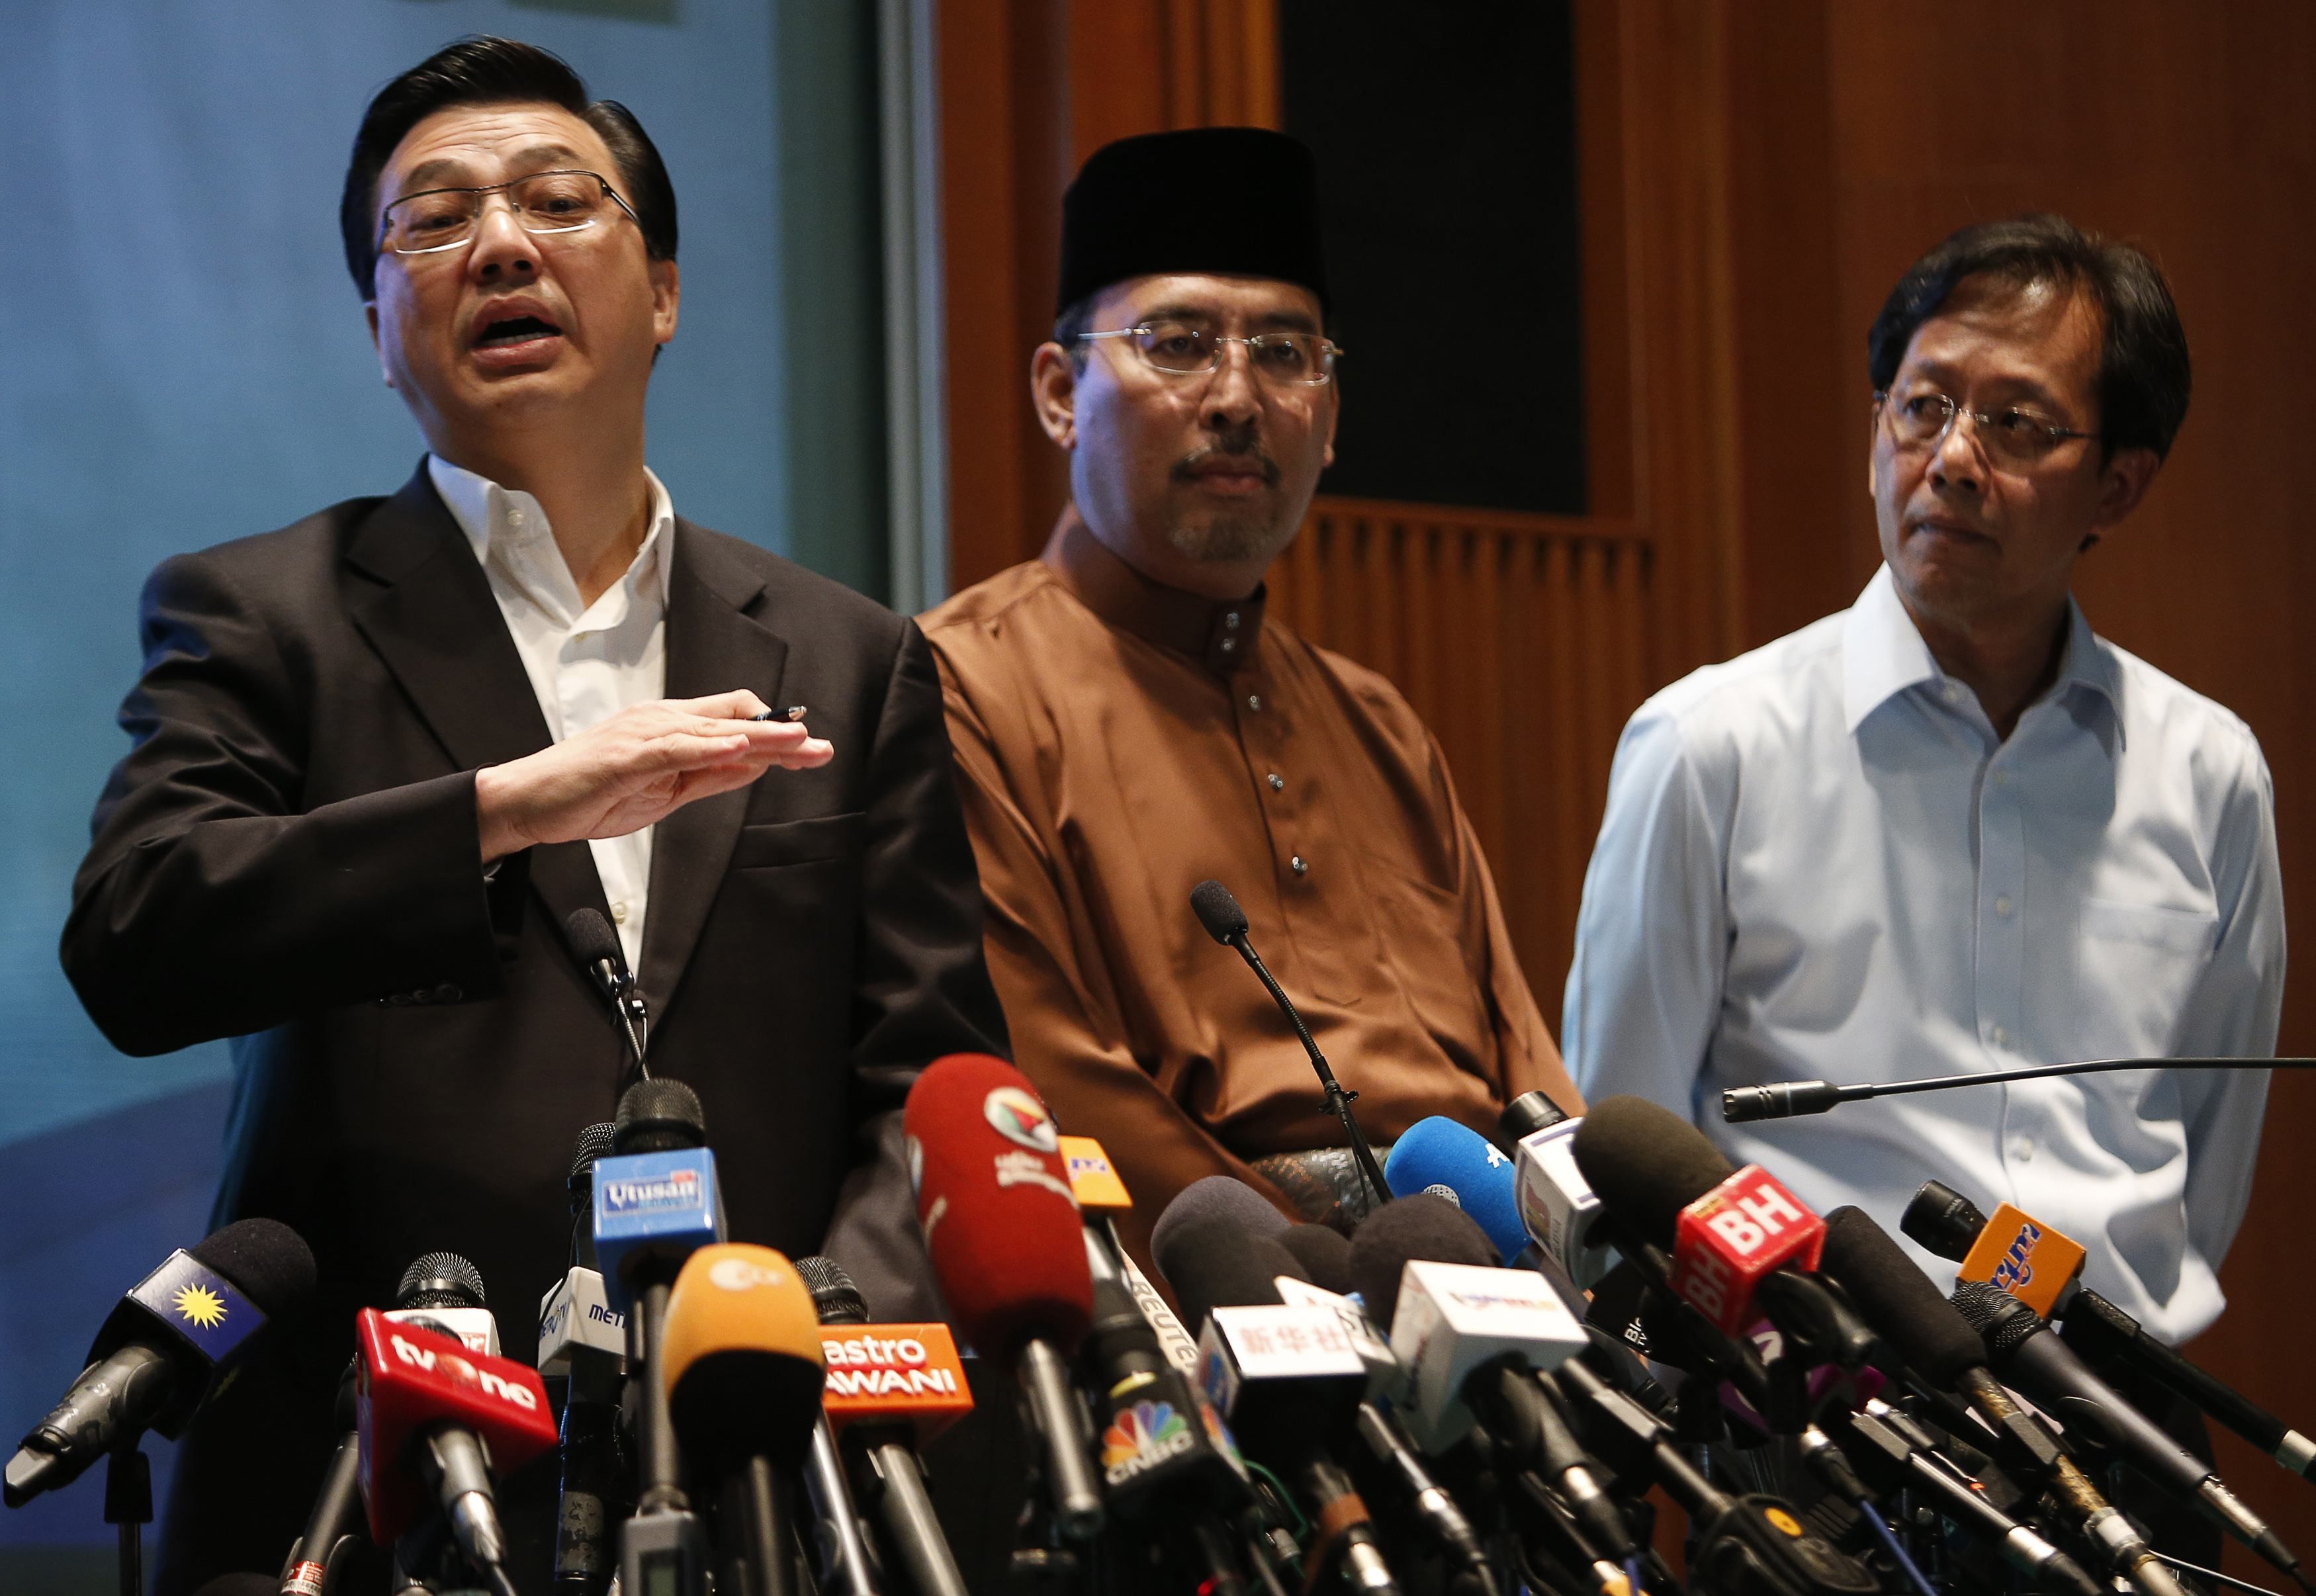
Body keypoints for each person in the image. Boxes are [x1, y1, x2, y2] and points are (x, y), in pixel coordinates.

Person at [61, 38, 1005, 1593]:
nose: (499, 242)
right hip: (370, 1482)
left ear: (665, 293)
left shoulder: (849, 655)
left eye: (561, 201)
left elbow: (932, 1073)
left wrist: (825, 1336)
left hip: (771, 1479)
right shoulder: (262, 617)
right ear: (379, 327)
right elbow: (139, 934)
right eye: (428, 222)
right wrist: (502, 810)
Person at [1562, 214, 2281, 1349]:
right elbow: (1624, 1144)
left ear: (2118, 488)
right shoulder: (1711, 744)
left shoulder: (2209, 771)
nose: (1950, 459)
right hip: (1826, 1416)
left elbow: (2213, 1149)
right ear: (1877, 424)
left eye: (2015, 424)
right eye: (1923, 405)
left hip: (2121, 1411)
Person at [921, 127, 1579, 1263]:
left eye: (1284, 352)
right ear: (1057, 392)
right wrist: (1320, 1282)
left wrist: (1579, 1251)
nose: (1237, 395)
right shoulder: (958, 684)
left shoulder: (1378, 722)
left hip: (1500, 1288)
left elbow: (1522, 1057)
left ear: (1329, 420)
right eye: (1177, 343)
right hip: (1218, 1298)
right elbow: (1047, 1083)